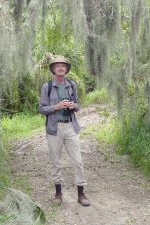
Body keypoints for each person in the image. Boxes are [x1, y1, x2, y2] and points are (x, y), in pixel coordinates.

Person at [39, 55, 90, 207]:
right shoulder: (47, 86)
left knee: (78, 161)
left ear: (66, 69)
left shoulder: (71, 85)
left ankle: (81, 194)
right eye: (57, 66)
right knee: (56, 162)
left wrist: (73, 106)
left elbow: (78, 105)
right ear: (53, 70)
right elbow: (41, 109)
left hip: (70, 126)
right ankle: (58, 193)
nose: (60, 67)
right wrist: (57, 106)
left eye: (63, 65)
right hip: (54, 129)